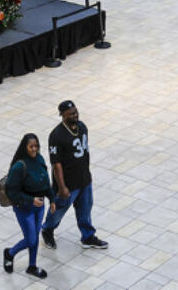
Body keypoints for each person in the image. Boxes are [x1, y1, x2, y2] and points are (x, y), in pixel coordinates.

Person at [41, 101, 108, 251]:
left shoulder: (82, 127)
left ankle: (88, 236)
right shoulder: (56, 136)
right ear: (63, 115)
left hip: (84, 179)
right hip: (68, 184)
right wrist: (62, 187)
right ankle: (47, 230)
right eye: (71, 113)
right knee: (58, 210)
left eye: (76, 112)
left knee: (85, 209)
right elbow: (56, 164)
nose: (75, 115)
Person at [3, 133, 54, 278]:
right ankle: (10, 253)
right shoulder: (19, 166)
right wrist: (31, 200)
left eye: (36, 146)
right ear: (25, 147)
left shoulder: (40, 159)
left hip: (39, 207)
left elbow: (45, 181)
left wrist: (52, 199)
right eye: (31, 146)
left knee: (35, 238)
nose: (34, 149)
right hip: (24, 208)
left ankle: (32, 266)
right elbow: (11, 191)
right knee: (31, 239)